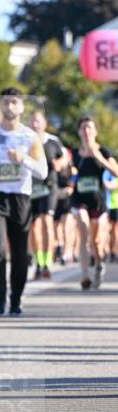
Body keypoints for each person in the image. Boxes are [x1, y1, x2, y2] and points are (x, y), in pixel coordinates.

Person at [0, 88, 47, 316]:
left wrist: (24, 160)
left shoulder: (30, 137)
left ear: (22, 107)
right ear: (0, 106)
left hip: (20, 197)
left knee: (20, 253)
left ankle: (16, 298)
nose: (10, 107)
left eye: (14, 102)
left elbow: (42, 171)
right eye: (6, 102)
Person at [70, 116, 118, 290]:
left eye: (90, 128)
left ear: (95, 131)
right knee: (83, 231)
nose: (86, 131)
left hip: (97, 201)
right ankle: (84, 275)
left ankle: (98, 264)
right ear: (79, 132)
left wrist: (99, 157)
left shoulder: (103, 151)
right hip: (79, 198)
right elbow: (69, 173)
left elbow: (116, 171)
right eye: (83, 128)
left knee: (96, 241)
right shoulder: (75, 153)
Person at [28, 110, 64, 279]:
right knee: (34, 227)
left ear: (44, 124)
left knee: (47, 222)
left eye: (38, 121)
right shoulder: (25, 140)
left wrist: (59, 163)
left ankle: (47, 263)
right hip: (32, 188)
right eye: (32, 121)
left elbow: (65, 157)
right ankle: (39, 262)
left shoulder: (52, 141)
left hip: (49, 186)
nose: (35, 124)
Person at [53, 146, 76, 265]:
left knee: (67, 226)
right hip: (57, 200)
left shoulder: (72, 170)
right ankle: (60, 245)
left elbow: (73, 185)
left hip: (68, 200)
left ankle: (66, 253)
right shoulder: (56, 171)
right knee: (57, 227)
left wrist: (69, 189)